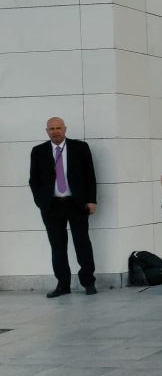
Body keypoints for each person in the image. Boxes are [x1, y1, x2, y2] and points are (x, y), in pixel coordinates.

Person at [29, 117, 98, 297]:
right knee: (57, 246)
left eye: (58, 128)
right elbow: (33, 180)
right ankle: (63, 285)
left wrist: (91, 200)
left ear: (65, 129)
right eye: (51, 129)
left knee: (82, 243)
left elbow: (90, 175)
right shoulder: (38, 151)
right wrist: (41, 202)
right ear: (47, 131)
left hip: (76, 204)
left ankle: (88, 282)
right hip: (52, 206)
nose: (55, 131)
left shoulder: (80, 148)